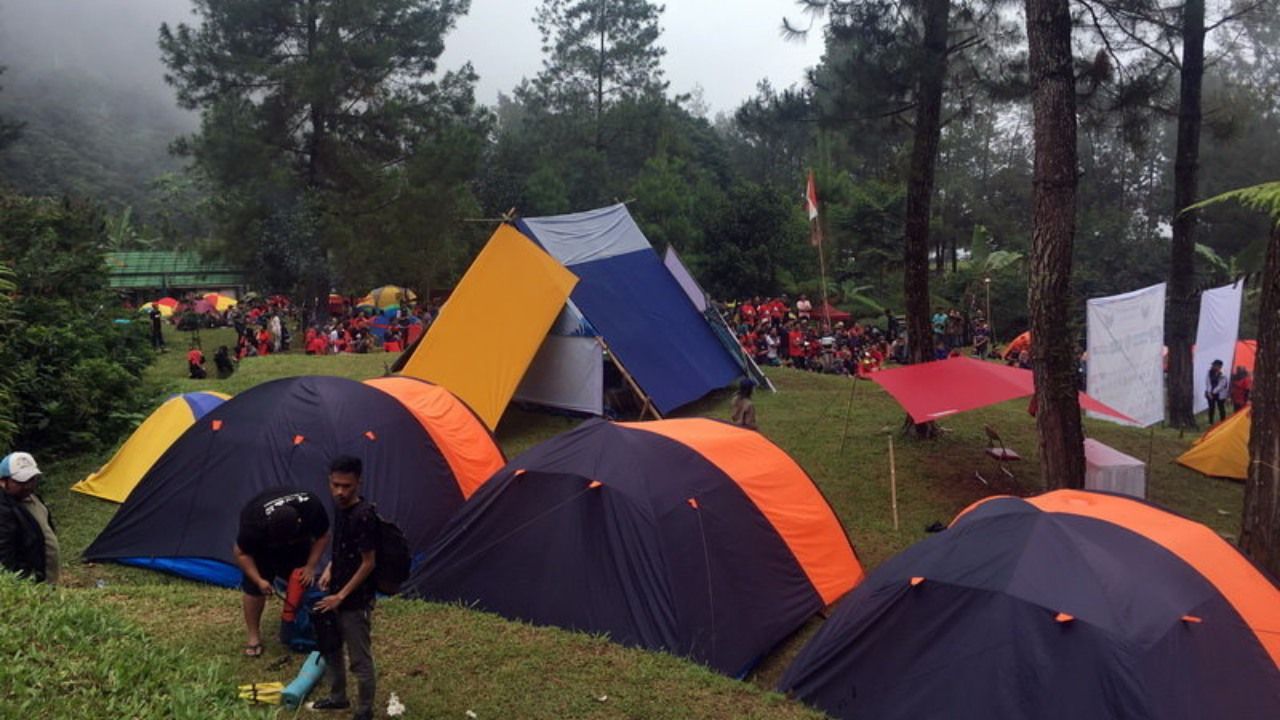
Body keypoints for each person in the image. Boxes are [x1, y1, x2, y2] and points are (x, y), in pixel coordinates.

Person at [312, 456, 379, 720]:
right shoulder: (340, 508)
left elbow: (368, 563)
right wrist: (329, 569)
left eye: (347, 486)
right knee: (331, 647)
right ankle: (338, 697)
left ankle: (364, 711)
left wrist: (341, 595)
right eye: (335, 485)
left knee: (359, 660)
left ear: (358, 483)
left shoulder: (364, 516)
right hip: (336, 593)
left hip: (355, 600)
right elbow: (342, 547)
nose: (340, 492)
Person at [233, 489, 330, 657]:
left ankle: (303, 627)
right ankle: (253, 637)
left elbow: (323, 536)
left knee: (303, 581)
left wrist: (310, 566)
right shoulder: (254, 523)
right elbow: (240, 553)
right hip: (263, 550)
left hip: (298, 548)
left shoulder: (311, 507)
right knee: (253, 590)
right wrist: (258, 580)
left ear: (300, 522)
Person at [0, 452, 59, 584]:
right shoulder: (4, 509)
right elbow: (5, 557)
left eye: (32, 479)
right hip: (30, 586)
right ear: (3, 481)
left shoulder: (33, 498)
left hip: (47, 579)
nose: (28, 485)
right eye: (21, 481)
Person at [1205, 359, 1229, 424]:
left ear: (1219, 366)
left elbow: (1221, 385)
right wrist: (1209, 392)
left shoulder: (1223, 374)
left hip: (1220, 394)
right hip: (1210, 392)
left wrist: (1213, 392)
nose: (1213, 366)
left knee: (1221, 407)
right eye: (1213, 365)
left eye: (1215, 365)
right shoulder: (1209, 372)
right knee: (1211, 407)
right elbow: (1208, 382)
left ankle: (1223, 421)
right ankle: (1210, 422)